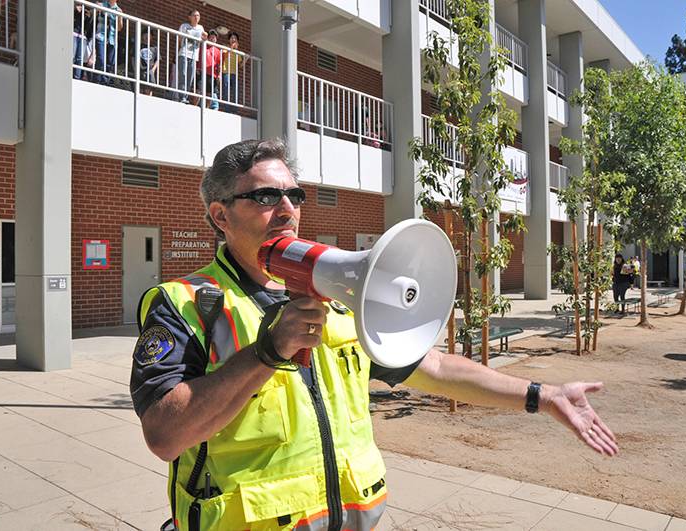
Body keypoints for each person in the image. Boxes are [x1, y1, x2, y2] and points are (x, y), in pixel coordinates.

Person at [130, 139, 619, 531]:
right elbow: (165, 435)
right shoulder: (185, 304)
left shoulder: (336, 301)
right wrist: (268, 350)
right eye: (263, 196)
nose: (286, 208)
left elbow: (438, 368)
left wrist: (542, 395)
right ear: (220, 215)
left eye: (293, 195)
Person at [175, 10, 206, 104]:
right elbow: (179, 39)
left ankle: (185, 96)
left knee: (190, 77)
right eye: (195, 15)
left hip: (194, 57)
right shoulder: (184, 26)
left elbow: (204, 38)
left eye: (198, 15)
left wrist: (205, 37)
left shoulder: (201, 28)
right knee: (183, 75)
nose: (197, 17)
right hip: (184, 53)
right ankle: (181, 97)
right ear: (190, 17)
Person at [93, 0, 123, 85]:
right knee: (101, 59)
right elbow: (93, 15)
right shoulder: (101, 4)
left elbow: (119, 28)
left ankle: (105, 82)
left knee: (110, 62)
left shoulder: (118, 10)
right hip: (101, 36)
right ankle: (97, 80)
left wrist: (120, 17)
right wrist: (98, 9)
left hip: (112, 39)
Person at [220, 31, 243, 110]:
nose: (233, 39)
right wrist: (232, 48)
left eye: (235, 38)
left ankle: (235, 109)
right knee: (226, 89)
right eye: (232, 38)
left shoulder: (237, 52)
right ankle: (226, 108)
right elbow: (224, 55)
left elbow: (240, 65)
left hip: (234, 73)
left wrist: (246, 58)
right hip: (225, 72)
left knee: (235, 91)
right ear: (229, 40)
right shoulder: (225, 48)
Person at [73, 3, 93, 80]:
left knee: (79, 59)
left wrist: (90, 14)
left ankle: (76, 78)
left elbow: (90, 27)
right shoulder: (77, 4)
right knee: (72, 57)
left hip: (83, 36)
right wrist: (75, 9)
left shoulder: (91, 9)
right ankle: (69, 75)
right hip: (74, 33)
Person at [203, 29, 222, 110]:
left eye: (214, 37)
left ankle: (207, 108)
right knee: (198, 90)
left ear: (216, 39)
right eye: (211, 37)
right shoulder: (203, 46)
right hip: (202, 72)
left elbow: (219, 64)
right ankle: (196, 106)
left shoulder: (218, 51)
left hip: (212, 74)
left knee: (210, 92)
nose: (212, 39)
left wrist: (219, 75)